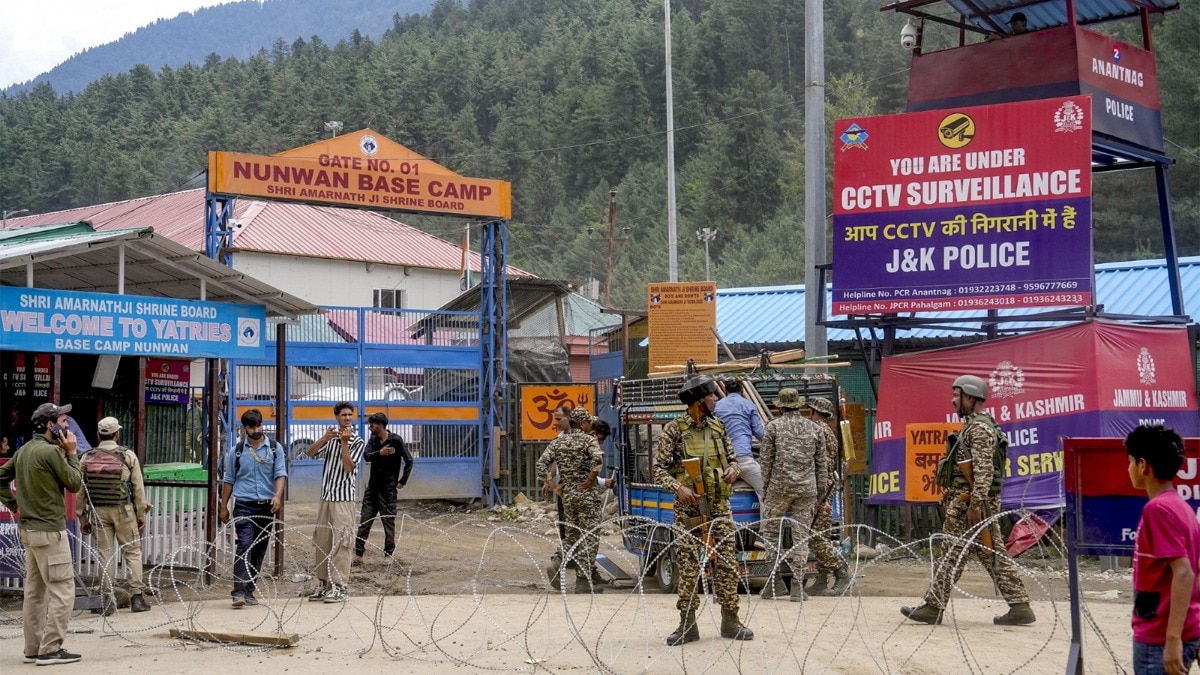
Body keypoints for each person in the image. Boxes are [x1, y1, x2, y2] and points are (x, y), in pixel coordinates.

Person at [901, 375, 1035, 625]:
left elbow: (983, 470)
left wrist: (974, 505)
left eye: (957, 395)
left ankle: (933, 606)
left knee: (951, 553)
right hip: (968, 500)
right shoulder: (974, 426)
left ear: (970, 398)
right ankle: (1019, 606)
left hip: (970, 503)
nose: (953, 401)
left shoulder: (980, 429)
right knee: (989, 552)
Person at [653, 375, 753, 645]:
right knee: (688, 566)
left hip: (720, 506)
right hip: (690, 509)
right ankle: (687, 624)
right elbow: (658, 470)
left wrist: (734, 469)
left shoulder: (718, 427)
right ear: (698, 402)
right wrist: (678, 488)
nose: (716, 400)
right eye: (712, 396)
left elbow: (733, 458)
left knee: (728, 564)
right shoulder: (674, 430)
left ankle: (731, 620)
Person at [0, 402, 84, 665]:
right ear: (50, 426)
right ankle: (50, 649)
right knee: (62, 590)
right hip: (49, 532)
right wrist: (71, 453)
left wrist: (16, 506)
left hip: (30, 532)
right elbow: (74, 483)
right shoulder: (51, 453)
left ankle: (33, 648)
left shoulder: (24, 451)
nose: (67, 426)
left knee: (35, 593)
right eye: (62, 421)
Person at [1126, 424, 1200, 674]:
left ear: (1143, 465)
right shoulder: (1182, 507)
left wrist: (1172, 639)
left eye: (1130, 462)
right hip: (1183, 629)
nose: (1129, 468)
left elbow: (1184, 573)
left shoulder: (1157, 510)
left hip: (1158, 638)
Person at [758, 389, 828, 602]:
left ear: (780, 407)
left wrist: (766, 488)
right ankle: (797, 586)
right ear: (800, 406)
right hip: (807, 490)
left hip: (778, 488)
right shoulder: (815, 429)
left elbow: (766, 461)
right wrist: (820, 495)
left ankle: (775, 582)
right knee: (801, 536)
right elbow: (821, 465)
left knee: (770, 534)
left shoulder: (773, 427)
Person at [78, 417, 151, 615]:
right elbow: (137, 487)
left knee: (105, 555)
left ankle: (106, 599)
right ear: (117, 434)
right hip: (123, 510)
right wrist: (141, 512)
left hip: (98, 511)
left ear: (98, 435)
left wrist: (82, 517)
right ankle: (137, 597)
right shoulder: (127, 456)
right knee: (132, 552)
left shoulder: (87, 457)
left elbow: (80, 491)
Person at [218, 409, 287, 608]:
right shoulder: (237, 452)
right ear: (244, 428)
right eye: (252, 427)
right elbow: (229, 480)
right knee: (245, 544)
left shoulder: (275, 449)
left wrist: (277, 496)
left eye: (259, 426)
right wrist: (223, 506)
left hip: (267, 507)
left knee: (258, 550)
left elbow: (280, 474)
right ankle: (238, 591)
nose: (256, 430)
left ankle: (249, 590)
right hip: (244, 506)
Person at [537, 406, 605, 593]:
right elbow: (598, 459)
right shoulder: (588, 440)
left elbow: (541, 464)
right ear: (582, 423)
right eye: (589, 422)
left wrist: (553, 487)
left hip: (568, 496)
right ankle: (583, 582)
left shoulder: (559, 442)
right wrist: (591, 480)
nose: (591, 425)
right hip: (587, 495)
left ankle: (557, 562)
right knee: (589, 537)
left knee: (572, 535)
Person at [304, 401, 366, 603]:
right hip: (326, 496)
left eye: (350, 415)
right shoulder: (331, 438)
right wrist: (325, 438)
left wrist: (345, 444)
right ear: (336, 417)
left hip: (343, 498)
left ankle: (340, 586)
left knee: (342, 542)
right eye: (343, 415)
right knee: (323, 540)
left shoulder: (357, 441)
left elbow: (349, 468)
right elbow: (310, 453)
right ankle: (323, 583)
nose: (347, 418)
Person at [802, 397, 850, 596]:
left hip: (820, 490)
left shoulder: (817, 430)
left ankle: (841, 572)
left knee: (815, 537)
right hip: (826, 487)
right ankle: (822, 579)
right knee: (821, 536)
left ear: (813, 411)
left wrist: (819, 496)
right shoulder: (827, 431)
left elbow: (819, 465)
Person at [353, 412, 413, 566]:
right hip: (373, 488)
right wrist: (379, 453)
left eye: (371, 425)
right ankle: (358, 553)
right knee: (365, 521)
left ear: (379, 426)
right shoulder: (373, 440)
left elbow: (409, 460)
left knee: (388, 522)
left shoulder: (396, 440)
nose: (369, 428)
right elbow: (366, 456)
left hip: (388, 489)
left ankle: (388, 555)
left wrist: (402, 481)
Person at [712, 379, 765, 503]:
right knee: (766, 491)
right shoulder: (749, 405)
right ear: (742, 390)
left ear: (725, 391)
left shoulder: (716, 406)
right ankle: (767, 522)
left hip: (722, 462)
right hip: (743, 460)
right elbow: (760, 433)